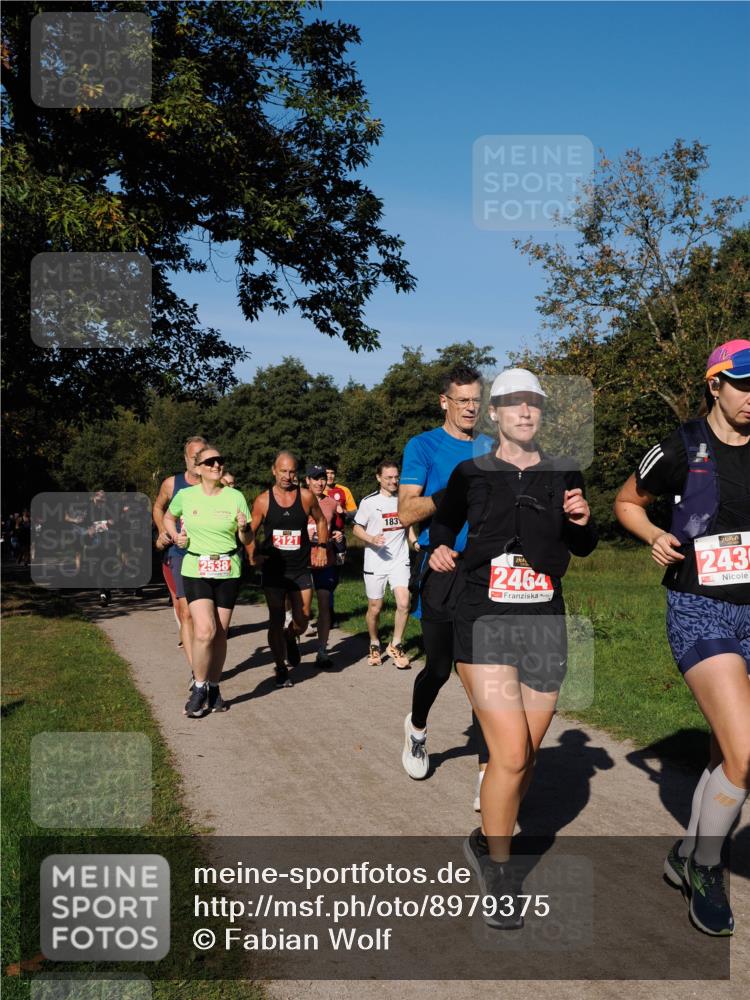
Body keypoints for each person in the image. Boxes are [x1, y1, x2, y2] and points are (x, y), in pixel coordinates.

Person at [429, 368, 597, 928]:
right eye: (513, 403)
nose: (525, 412)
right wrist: (439, 551)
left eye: (534, 404)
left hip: (544, 622)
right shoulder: (470, 471)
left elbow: (583, 543)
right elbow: (445, 522)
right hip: (483, 619)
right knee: (513, 753)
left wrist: (580, 520)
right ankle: (501, 874)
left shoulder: (562, 472)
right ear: (495, 413)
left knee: (525, 752)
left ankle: (484, 837)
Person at [614, 339, 750, 937]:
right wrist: (651, 535)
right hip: (700, 606)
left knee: (727, 751)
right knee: (745, 754)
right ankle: (705, 867)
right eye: (741, 384)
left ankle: (688, 854)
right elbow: (625, 501)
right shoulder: (680, 445)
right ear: (714, 385)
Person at [397, 364, 494, 794]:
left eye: (477, 400)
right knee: (438, 668)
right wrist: (452, 492)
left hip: (489, 574)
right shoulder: (423, 447)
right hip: (441, 568)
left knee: (486, 677)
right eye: (464, 401)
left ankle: (489, 776)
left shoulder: (495, 446)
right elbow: (406, 511)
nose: (472, 408)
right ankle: (417, 730)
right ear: (445, 402)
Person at [163, 445, 252, 716]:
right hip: (196, 566)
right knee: (205, 631)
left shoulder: (235, 497)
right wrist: (174, 535)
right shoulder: (186, 496)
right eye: (210, 462)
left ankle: (214, 687)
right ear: (199, 468)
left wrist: (243, 528)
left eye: (219, 461)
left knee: (220, 634)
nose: (216, 465)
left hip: (228, 568)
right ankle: (199, 687)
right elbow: (169, 516)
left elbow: (246, 540)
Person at [246, 452, 329, 688]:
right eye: (283, 471)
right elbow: (249, 531)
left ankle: (290, 636)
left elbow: (321, 520)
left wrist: (322, 547)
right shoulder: (263, 501)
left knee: (303, 618)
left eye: (292, 471)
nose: (287, 476)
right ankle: (281, 668)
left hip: (300, 568)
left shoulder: (305, 497)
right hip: (274, 570)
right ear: (274, 471)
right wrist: (252, 553)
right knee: (276, 618)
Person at [353, 461, 412, 669]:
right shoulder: (369, 502)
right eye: (389, 477)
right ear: (379, 478)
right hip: (375, 562)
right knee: (375, 608)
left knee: (404, 603)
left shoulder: (404, 499)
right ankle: (374, 642)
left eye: (396, 477)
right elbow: (356, 529)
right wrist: (370, 538)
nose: (394, 481)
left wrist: (414, 542)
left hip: (399, 560)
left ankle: (396, 644)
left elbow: (410, 525)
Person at [153, 436, 207, 663]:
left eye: (200, 456)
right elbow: (158, 507)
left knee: (206, 618)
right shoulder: (171, 484)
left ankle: (205, 662)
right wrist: (162, 530)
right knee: (186, 612)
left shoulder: (215, 483)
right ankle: (197, 673)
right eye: (193, 456)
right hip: (180, 553)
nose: (197, 460)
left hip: (208, 554)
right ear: (185, 459)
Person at [305, 465, 344, 669]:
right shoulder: (298, 500)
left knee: (324, 603)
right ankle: (291, 637)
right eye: (315, 479)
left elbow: (336, 527)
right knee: (302, 610)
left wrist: (337, 535)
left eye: (322, 479)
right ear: (307, 481)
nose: (320, 482)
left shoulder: (331, 503)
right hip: (303, 560)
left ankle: (322, 651)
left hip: (324, 559)